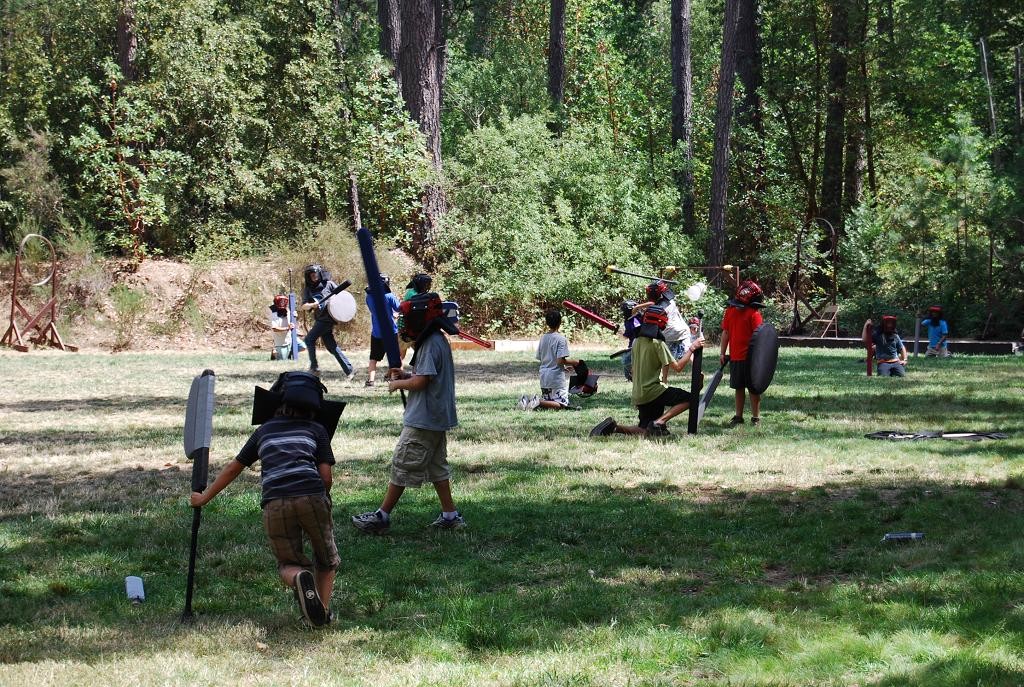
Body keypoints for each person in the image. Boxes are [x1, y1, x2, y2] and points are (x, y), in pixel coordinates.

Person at [189, 371, 339, 627]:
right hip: (311, 496)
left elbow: (233, 468)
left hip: (275, 502)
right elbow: (326, 477)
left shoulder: (264, 432)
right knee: (326, 560)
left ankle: (300, 576)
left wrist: (204, 497)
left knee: (287, 562)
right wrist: (323, 498)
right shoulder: (317, 430)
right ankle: (321, 615)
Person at [351, 291, 465, 533]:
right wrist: (405, 375)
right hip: (435, 416)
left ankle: (382, 516)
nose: (403, 324)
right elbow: (424, 376)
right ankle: (450, 515)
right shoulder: (435, 340)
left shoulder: (431, 344)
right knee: (437, 468)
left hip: (424, 418)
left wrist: (397, 384)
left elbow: (422, 382)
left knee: (402, 465)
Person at [589, 305, 704, 438]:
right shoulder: (658, 343)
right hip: (653, 391)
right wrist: (691, 348)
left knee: (645, 431)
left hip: (640, 394)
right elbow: (677, 367)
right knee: (690, 399)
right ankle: (659, 422)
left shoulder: (637, 342)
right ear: (662, 323)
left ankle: (615, 428)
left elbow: (633, 369)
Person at [720, 279, 766, 425]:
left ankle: (755, 417)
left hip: (751, 359)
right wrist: (722, 353)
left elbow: (760, 337)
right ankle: (738, 416)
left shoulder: (753, 314)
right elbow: (726, 333)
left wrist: (761, 357)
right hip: (736, 357)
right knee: (738, 387)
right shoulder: (731, 311)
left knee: (753, 389)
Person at [301, 264, 354, 380]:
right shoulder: (308, 289)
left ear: (320, 274)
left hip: (327, 320)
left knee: (309, 339)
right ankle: (349, 370)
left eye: (315, 274)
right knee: (332, 347)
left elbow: (341, 298)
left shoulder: (329, 284)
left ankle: (314, 368)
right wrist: (312, 305)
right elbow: (304, 306)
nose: (314, 276)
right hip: (319, 319)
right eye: (311, 275)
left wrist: (331, 301)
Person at [521, 308, 581, 411]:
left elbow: (541, 357)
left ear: (547, 323)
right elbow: (560, 361)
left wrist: (563, 368)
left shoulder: (543, 337)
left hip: (544, 376)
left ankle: (527, 401)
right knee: (562, 404)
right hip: (556, 377)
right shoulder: (561, 339)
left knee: (550, 402)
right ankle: (537, 401)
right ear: (560, 322)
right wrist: (576, 362)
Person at [365, 273, 402, 386]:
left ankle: (371, 381)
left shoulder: (369, 297)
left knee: (373, 358)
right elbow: (399, 308)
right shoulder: (389, 296)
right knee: (395, 357)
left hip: (376, 333)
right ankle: (394, 379)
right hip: (391, 331)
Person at [268, 294, 305, 361]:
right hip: (281, 342)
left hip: (290, 338)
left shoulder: (288, 311)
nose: (282, 303)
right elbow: (275, 329)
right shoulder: (273, 314)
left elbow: (292, 324)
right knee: (282, 360)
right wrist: (287, 328)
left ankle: (290, 352)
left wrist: (294, 317)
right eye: (281, 301)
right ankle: (274, 352)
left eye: (284, 301)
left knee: (303, 346)